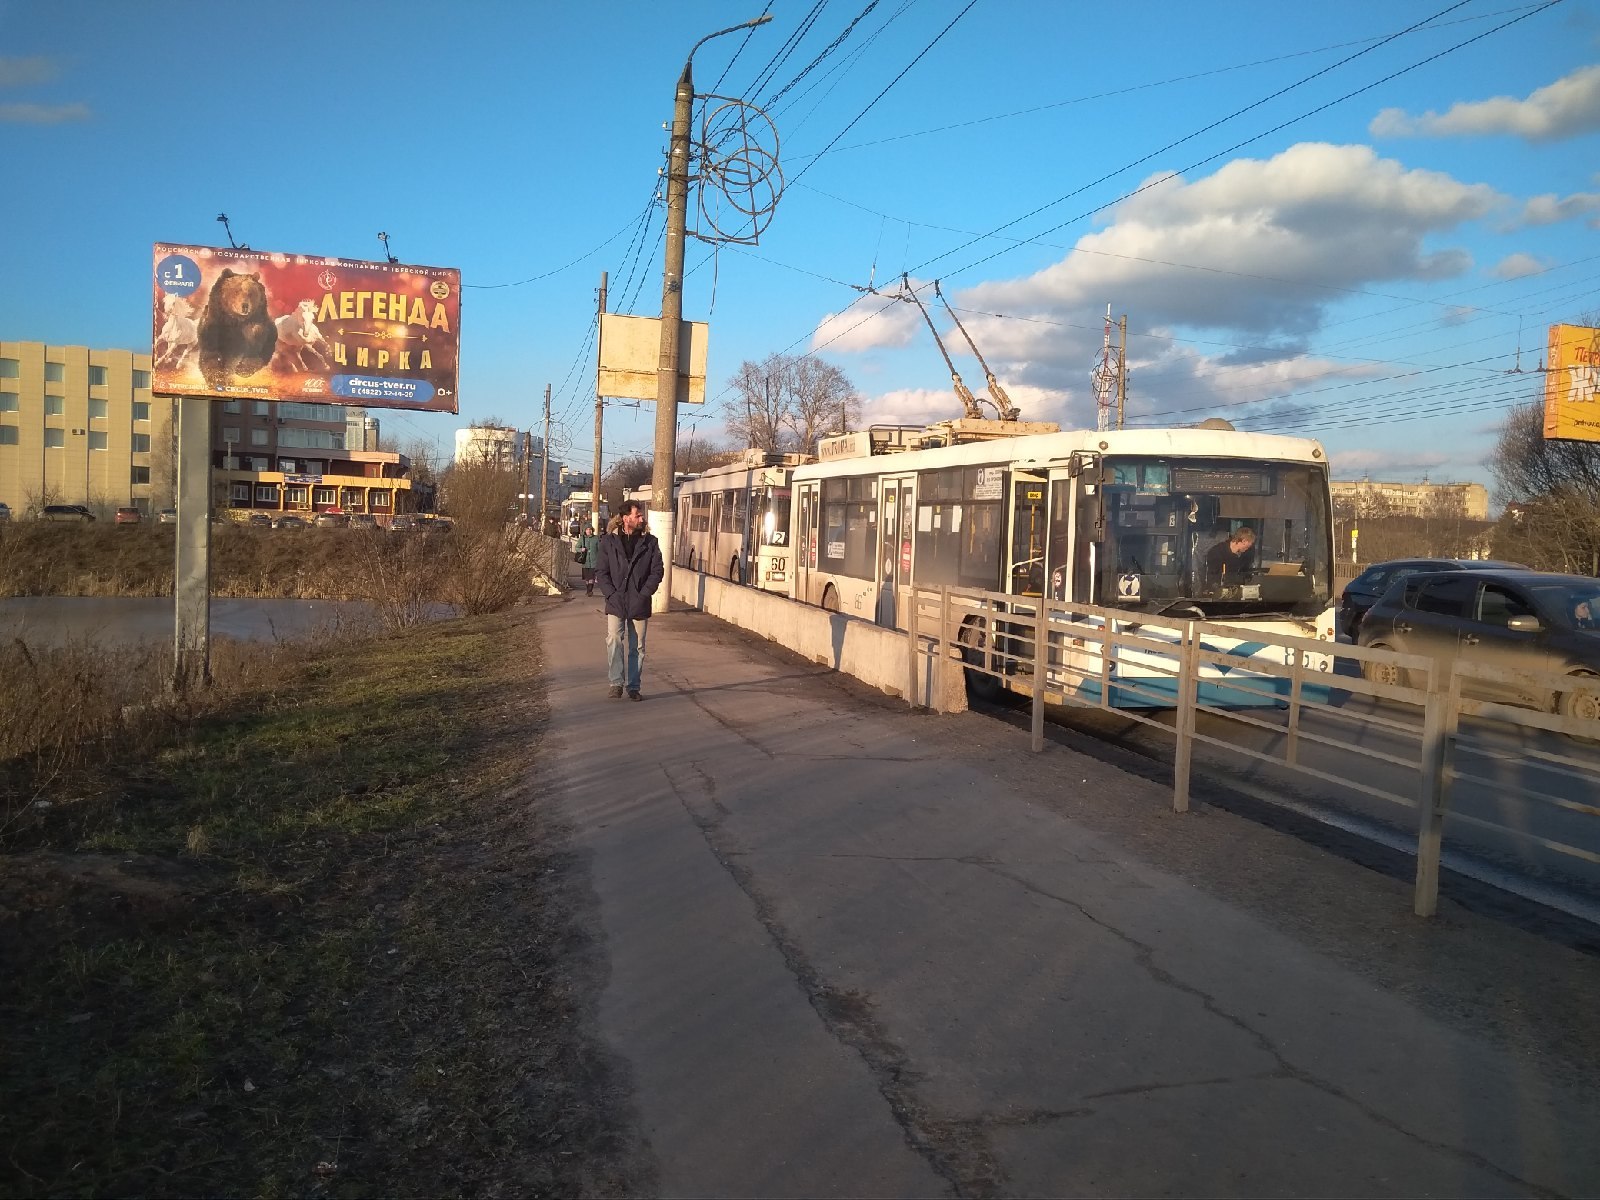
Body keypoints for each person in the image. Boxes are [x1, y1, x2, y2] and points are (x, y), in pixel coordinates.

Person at [595, 499, 664, 701]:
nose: (642, 518)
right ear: (626, 519)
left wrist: (644, 593)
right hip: (616, 601)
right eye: (638, 515)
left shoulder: (650, 542)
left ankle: (633, 686)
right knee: (614, 640)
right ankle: (616, 683)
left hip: (640, 601)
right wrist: (610, 594)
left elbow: (657, 571)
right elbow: (602, 571)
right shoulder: (609, 541)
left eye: (641, 515)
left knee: (638, 646)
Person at [576, 525, 601, 596]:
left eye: (590, 529)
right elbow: (577, 547)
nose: (588, 531)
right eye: (587, 529)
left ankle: (590, 591)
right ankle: (588, 590)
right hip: (585, 561)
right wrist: (581, 549)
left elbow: (600, 549)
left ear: (592, 530)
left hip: (594, 561)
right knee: (587, 578)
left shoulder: (596, 538)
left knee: (591, 577)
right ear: (585, 531)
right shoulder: (582, 538)